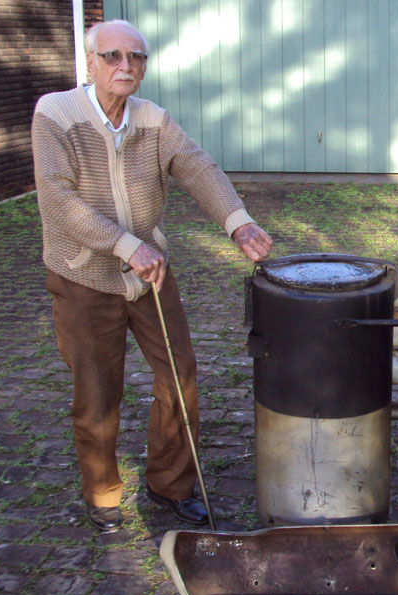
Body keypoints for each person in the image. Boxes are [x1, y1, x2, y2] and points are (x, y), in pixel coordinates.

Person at [31, 19, 272, 532]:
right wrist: (124, 244)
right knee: (97, 393)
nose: (126, 66)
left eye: (136, 57)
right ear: (91, 63)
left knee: (179, 376)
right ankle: (102, 493)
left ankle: (171, 485)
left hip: (150, 275)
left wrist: (238, 222)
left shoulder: (152, 119)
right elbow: (57, 198)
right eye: (114, 56)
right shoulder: (55, 114)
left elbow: (196, 166)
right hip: (83, 276)